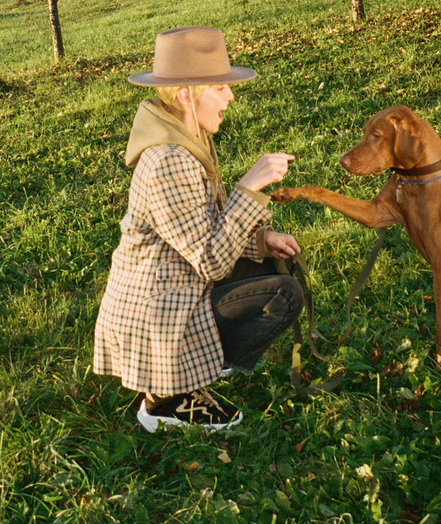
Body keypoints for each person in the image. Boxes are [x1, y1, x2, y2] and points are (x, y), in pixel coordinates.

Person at [93, 26, 304, 431]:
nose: (231, 97)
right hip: (157, 316)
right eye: (221, 88)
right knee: (282, 295)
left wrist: (262, 240)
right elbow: (209, 259)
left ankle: (194, 366)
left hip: (178, 287)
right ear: (188, 95)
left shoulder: (189, 137)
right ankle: (165, 398)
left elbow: (205, 229)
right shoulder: (168, 159)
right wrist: (250, 187)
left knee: (274, 269)